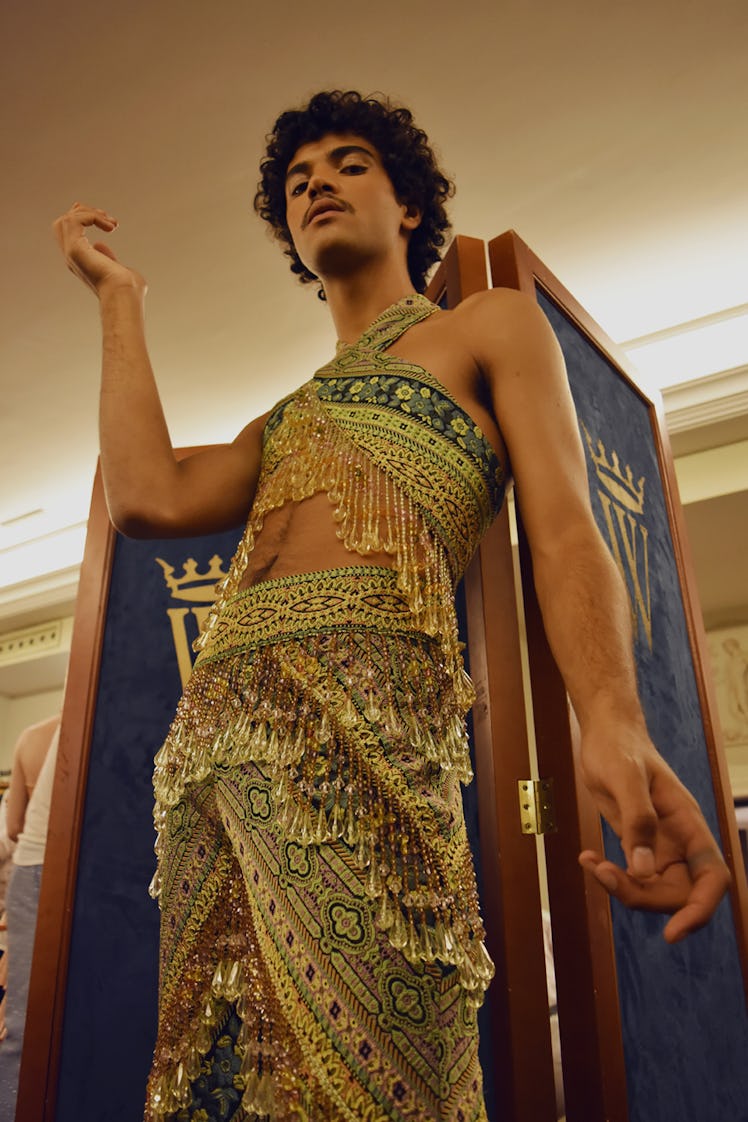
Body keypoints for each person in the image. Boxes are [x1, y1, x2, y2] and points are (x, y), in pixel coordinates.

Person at [54, 90, 729, 1122]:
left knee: (382, 1063)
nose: (316, 182)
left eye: (348, 162)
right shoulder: (282, 417)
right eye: (296, 180)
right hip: (216, 746)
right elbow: (147, 495)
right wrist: (117, 298)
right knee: (220, 1072)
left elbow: (562, 534)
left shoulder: (484, 328)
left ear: (408, 205)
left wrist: (613, 718)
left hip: (367, 731)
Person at [0, 715, 60, 1118]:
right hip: (79, 870)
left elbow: (16, 826)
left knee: (22, 1019)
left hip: (33, 868)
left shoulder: (33, 737)